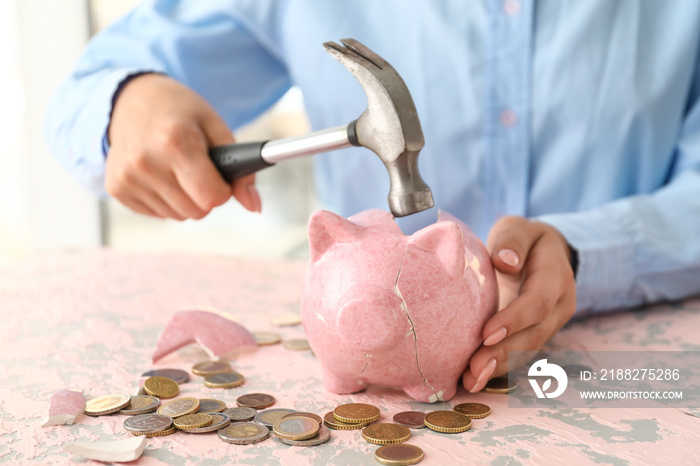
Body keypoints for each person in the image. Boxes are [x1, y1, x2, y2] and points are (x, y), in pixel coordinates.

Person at [46, 0, 700, 393]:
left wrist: (586, 250)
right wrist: (128, 101)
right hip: (360, 380)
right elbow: (87, 90)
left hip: (630, 379)